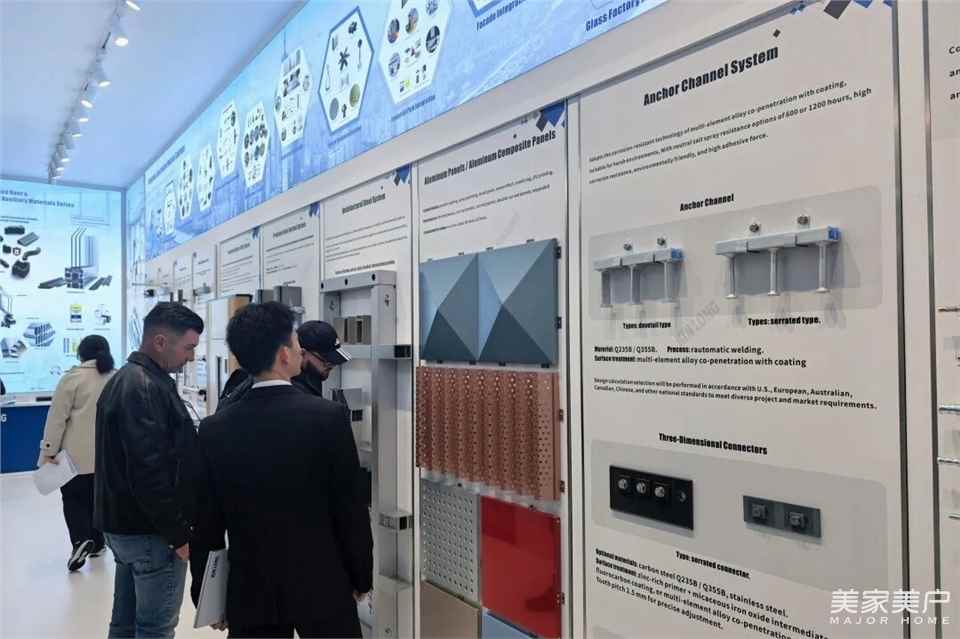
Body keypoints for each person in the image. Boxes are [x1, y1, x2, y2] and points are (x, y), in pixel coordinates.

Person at [191, 302, 372, 638]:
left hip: (251, 587)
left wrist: (207, 595)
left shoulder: (215, 429)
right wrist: (361, 575)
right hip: (323, 583)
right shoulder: (328, 418)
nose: (300, 352)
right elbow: (350, 508)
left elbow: (206, 524)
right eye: (296, 344)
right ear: (284, 354)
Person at [94, 302, 204, 639]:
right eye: (188, 348)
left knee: (125, 624)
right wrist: (178, 533)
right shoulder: (144, 388)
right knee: (155, 628)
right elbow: (148, 470)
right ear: (160, 342)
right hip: (151, 533)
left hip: (125, 526)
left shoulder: (129, 379)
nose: (191, 357)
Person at [37, 335, 115, 571]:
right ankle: (98, 542)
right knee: (97, 499)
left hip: (75, 458)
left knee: (74, 499)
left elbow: (57, 419)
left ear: (81, 354)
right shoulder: (117, 377)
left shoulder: (72, 379)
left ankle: (81, 540)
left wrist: (48, 450)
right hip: (109, 457)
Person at [291, 320, 350, 397]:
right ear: (302, 353)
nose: (331, 366)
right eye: (325, 360)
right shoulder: (291, 391)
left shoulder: (313, 377)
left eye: (334, 361)